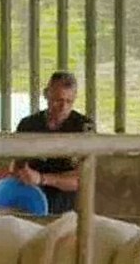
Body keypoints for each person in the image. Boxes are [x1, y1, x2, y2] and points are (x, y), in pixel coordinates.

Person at [8, 71, 95, 215]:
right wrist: (20, 174)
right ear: (46, 94)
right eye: (58, 100)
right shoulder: (28, 125)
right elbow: (17, 166)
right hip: (30, 205)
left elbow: (82, 179)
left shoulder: (84, 127)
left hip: (66, 211)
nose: (63, 107)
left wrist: (42, 179)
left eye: (69, 101)